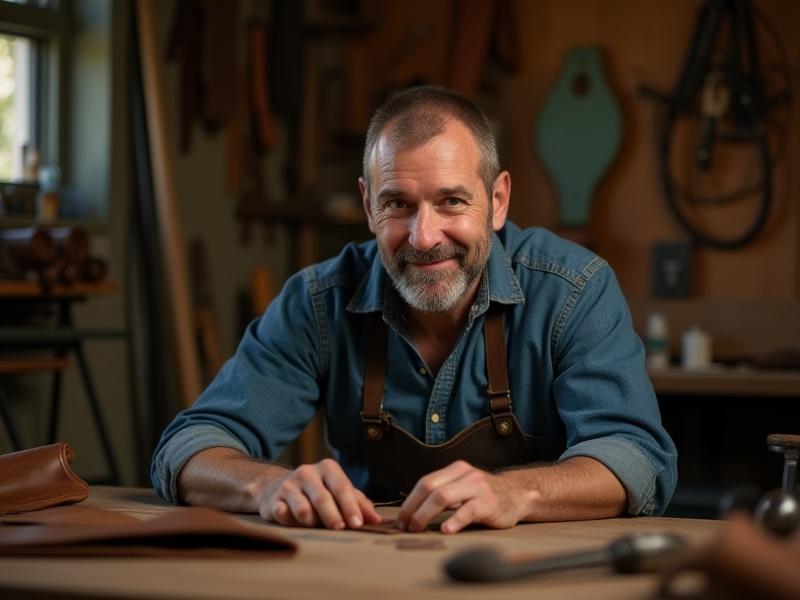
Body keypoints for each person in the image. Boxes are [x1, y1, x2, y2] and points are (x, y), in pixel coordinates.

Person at [152, 85, 677, 534]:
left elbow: (635, 458)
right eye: (398, 204)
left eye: (451, 201)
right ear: (367, 205)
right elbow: (190, 447)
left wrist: (519, 495)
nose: (424, 238)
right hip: (369, 572)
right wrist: (267, 485)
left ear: (497, 200)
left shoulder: (572, 291)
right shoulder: (318, 303)